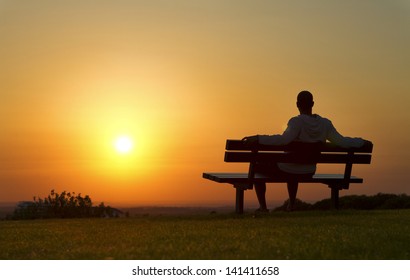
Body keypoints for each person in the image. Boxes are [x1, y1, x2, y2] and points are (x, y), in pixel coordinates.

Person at [242, 90, 371, 212]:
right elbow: (342, 142)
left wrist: (257, 138)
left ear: (297, 104)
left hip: (287, 169)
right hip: (309, 170)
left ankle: (263, 208)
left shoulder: (296, 122)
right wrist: (361, 142)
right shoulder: (325, 124)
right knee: (294, 165)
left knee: (258, 168)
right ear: (313, 104)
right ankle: (291, 205)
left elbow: (283, 140)